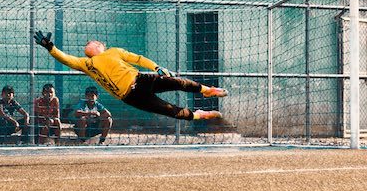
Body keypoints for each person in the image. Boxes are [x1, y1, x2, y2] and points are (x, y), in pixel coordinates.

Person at [34, 30, 227, 122]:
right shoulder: (86, 64)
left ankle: (206, 90)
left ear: (101, 46)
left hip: (141, 80)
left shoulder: (114, 51)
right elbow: (65, 58)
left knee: (177, 82)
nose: (89, 43)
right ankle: (198, 115)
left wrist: (156, 67)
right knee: (168, 109)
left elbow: (138, 58)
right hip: (129, 97)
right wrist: (50, 47)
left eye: (92, 41)